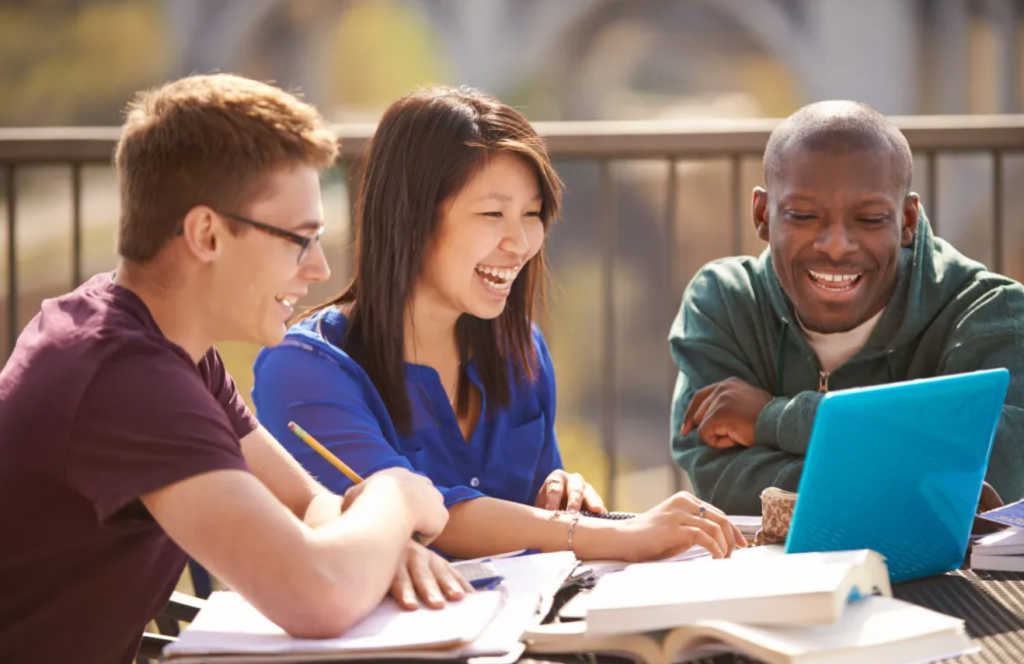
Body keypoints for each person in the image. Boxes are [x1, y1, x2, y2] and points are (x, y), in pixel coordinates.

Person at [0, 74, 469, 664]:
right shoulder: (126, 377)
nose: (320, 268)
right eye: (299, 239)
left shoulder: (158, 342)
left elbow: (307, 506)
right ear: (207, 234)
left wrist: (373, 544)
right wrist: (395, 494)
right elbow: (317, 597)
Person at [252, 86, 746, 563]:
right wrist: (616, 536)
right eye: (492, 213)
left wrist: (562, 495)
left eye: (532, 214)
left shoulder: (521, 351)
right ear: (411, 217)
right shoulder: (303, 369)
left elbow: (534, 514)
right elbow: (418, 517)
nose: (521, 242)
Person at [670, 100, 1024, 516]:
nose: (836, 245)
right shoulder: (724, 303)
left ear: (907, 219)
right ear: (763, 214)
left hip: (949, 581)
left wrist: (774, 418)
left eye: (870, 219)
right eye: (803, 215)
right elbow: (723, 484)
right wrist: (911, 473)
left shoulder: (992, 312)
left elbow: (1003, 471)